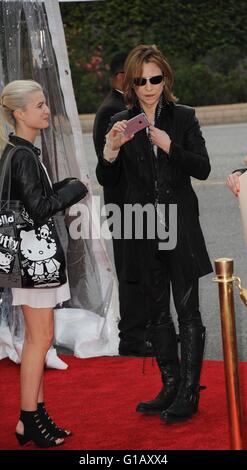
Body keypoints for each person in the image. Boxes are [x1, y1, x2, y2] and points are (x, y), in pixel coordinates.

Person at [96, 44, 212, 423]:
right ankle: (170, 383)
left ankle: (190, 392)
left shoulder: (184, 117)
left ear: (166, 77)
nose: (148, 87)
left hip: (180, 226)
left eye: (155, 79)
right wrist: (111, 150)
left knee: (188, 310)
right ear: (130, 82)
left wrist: (169, 146)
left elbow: (203, 168)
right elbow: (108, 180)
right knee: (157, 313)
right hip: (142, 229)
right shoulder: (122, 121)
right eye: (141, 80)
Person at [0, 80, 87, 447]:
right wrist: (74, 189)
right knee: (39, 340)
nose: (46, 109)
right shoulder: (21, 155)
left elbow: (33, 199)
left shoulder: (19, 151)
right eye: (39, 105)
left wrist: (61, 187)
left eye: (45, 103)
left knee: (40, 339)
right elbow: (38, 210)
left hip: (29, 262)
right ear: (19, 113)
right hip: (33, 262)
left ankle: (34, 416)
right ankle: (29, 418)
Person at [93, 52, 152, 357]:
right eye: (136, 77)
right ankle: (133, 337)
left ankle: (152, 331)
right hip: (126, 207)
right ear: (120, 77)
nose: (143, 83)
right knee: (132, 274)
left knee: (148, 270)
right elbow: (108, 166)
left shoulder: (127, 107)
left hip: (140, 206)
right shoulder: (112, 111)